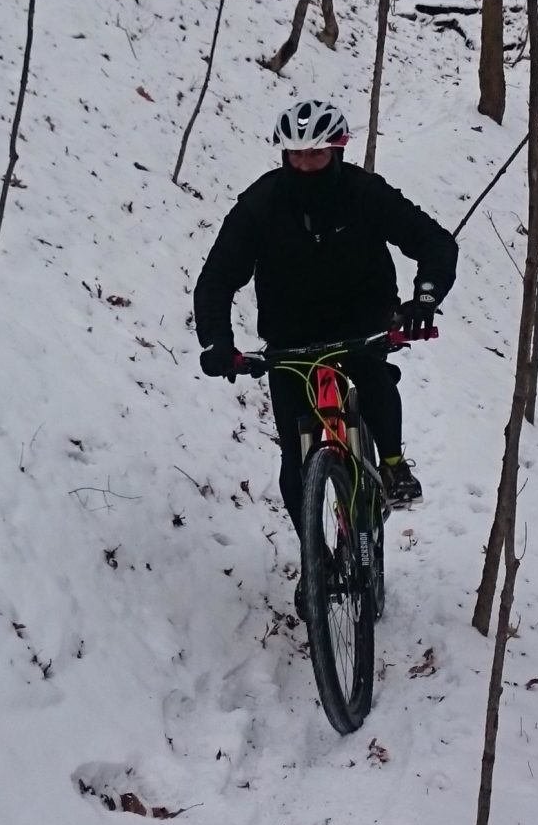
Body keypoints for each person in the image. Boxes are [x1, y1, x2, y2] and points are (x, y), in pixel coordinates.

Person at [193, 98, 458, 534]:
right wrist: (217, 342)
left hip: (362, 322)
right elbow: (217, 278)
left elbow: (434, 242)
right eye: (296, 154)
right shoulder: (261, 203)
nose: (305, 164)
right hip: (289, 336)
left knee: (372, 378)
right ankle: (313, 560)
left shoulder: (364, 192)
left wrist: (424, 299)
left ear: (337, 151)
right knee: (294, 460)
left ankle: (392, 463)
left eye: (315, 153)